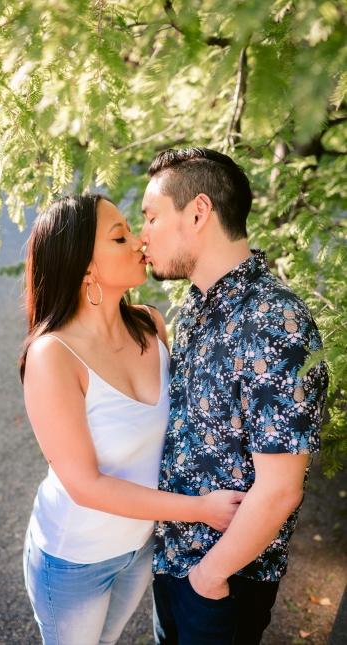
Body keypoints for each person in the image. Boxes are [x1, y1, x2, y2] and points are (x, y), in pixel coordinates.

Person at [20, 193, 246, 645]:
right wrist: (201, 510)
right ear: (85, 267)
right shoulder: (52, 357)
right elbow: (86, 485)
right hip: (73, 558)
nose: (140, 241)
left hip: (141, 547)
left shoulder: (151, 324)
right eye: (120, 236)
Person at [139, 147, 329, 645]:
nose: (143, 235)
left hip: (222, 580)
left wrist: (209, 578)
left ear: (198, 212)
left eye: (152, 217)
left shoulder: (273, 321)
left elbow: (281, 488)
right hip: (173, 557)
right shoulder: (197, 304)